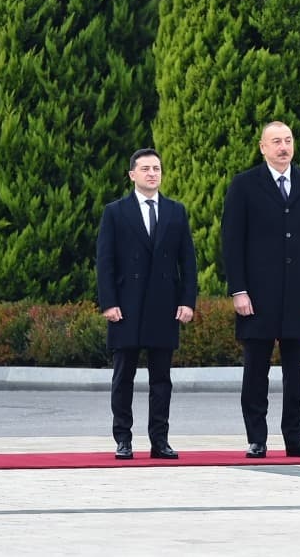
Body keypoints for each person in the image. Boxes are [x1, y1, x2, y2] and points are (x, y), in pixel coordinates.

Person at [221, 121, 300, 459]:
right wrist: (238, 290)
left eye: (287, 141)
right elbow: (232, 242)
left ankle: (295, 437)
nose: (283, 147)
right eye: (276, 142)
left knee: (295, 372)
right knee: (256, 368)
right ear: (262, 147)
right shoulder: (243, 186)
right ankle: (257, 437)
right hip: (257, 294)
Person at [96, 148, 197, 460]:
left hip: (163, 306)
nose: (152, 173)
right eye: (145, 168)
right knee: (123, 376)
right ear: (132, 175)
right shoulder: (115, 212)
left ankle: (160, 440)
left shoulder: (175, 211)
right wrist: (109, 302)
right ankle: (123, 439)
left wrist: (187, 301)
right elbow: (105, 261)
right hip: (126, 306)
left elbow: (188, 262)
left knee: (161, 379)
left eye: (156, 168)